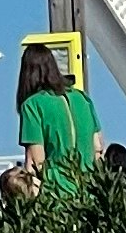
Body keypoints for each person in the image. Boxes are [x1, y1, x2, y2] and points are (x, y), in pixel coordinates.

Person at [18, 44, 101, 194]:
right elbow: (97, 147)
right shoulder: (82, 98)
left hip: (57, 190)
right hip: (89, 187)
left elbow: (36, 161)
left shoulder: (32, 105)